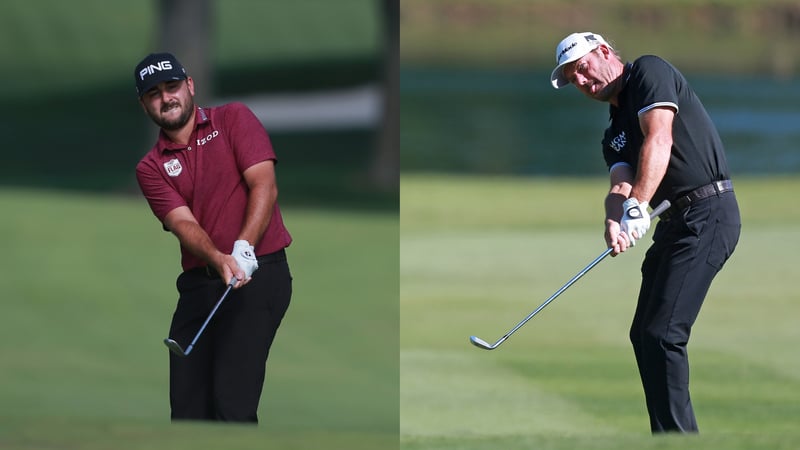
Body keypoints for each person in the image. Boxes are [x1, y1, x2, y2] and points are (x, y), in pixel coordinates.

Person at [550, 33, 741, 433]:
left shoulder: (649, 72)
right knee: (644, 335)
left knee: (663, 333)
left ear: (604, 52)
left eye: (582, 68)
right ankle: (666, 437)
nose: (582, 81)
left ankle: (679, 440)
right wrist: (615, 219)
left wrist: (639, 204)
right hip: (675, 225)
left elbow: (660, 137)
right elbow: (620, 185)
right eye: (573, 79)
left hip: (709, 213)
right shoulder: (613, 133)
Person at [133, 52, 293, 423]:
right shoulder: (151, 167)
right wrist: (219, 258)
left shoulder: (234, 118)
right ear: (143, 104)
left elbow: (264, 186)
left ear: (190, 86)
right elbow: (183, 223)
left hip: (260, 274)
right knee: (188, 412)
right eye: (153, 93)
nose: (166, 98)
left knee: (231, 404)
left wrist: (243, 247)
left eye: (172, 87)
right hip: (201, 284)